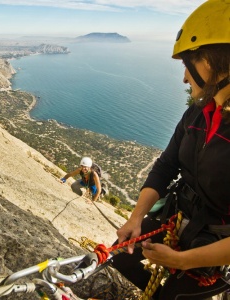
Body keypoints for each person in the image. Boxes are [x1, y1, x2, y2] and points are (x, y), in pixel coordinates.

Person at [111, 0, 230, 299]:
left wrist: (179, 261)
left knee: (172, 297)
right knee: (120, 259)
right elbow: (166, 166)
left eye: (187, 65)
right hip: (177, 220)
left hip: (214, 248)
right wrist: (136, 218)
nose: (184, 77)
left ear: (211, 61)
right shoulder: (197, 114)